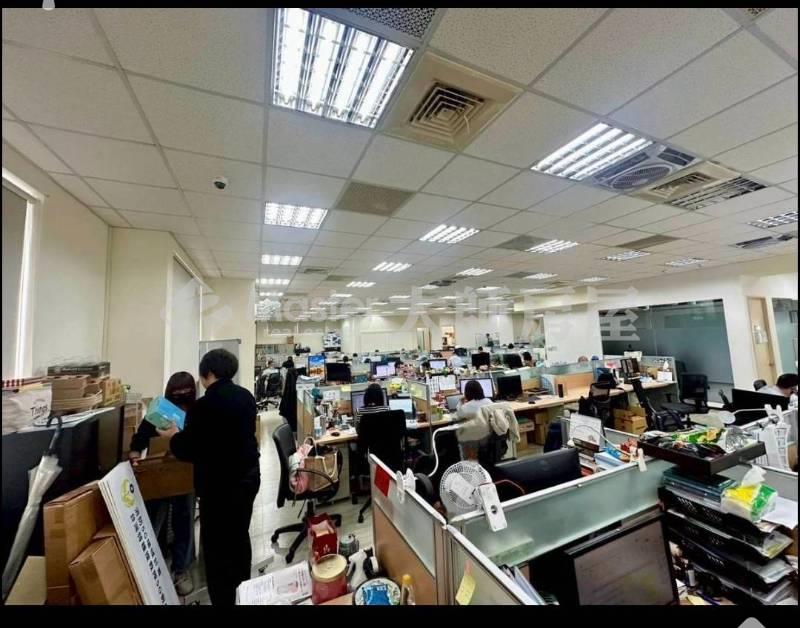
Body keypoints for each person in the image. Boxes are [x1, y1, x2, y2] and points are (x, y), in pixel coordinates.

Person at [157, 349, 260, 606]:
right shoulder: (246, 396)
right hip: (248, 478)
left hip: (220, 488)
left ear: (209, 373)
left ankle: (224, 598)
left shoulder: (203, 407)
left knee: (216, 548)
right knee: (239, 535)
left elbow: (191, 449)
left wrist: (173, 437)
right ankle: (243, 590)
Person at [129, 372, 197, 596]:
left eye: (186, 394)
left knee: (184, 518)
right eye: (177, 394)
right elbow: (139, 440)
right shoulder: (160, 412)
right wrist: (135, 455)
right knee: (152, 520)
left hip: (185, 474)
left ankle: (181, 569)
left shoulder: (197, 413)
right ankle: (148, 569)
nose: (182, 398)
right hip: (158, 474)